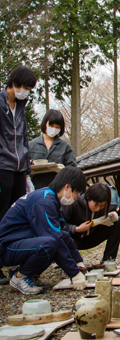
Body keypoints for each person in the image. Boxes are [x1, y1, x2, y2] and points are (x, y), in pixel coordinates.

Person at [0, 166, 87, 295]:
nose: (75, 199)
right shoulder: (44, 201)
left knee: (58, 237)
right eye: (76, 194)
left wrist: (78, 262)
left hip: (19, 242)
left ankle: (31, 274)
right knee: (50, 244)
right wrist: (74, 273)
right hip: (7, 247)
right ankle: (20, 277)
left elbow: (63, 233)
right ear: (67, 187)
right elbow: (54, 238)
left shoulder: (50, 198)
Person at [0, 66, 37, 284]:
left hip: (19, 167)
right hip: (2, 166)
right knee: (1, 214)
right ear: (14, 84)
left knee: (16, 215)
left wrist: (27, 173)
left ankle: (14, 261)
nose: (27, 92)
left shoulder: (21, 106)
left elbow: (23, 138)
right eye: (25, 87)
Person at [61, 182, 120, 261]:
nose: (98, 209)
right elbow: (59, 225)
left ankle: (108, 260)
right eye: (97, 205)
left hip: (91, 237)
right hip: (74, 239)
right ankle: (70, 262)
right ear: (88, 198)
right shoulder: (73, 203)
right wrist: (76, 229)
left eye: (102, 206)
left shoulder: (104, 207)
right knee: (66, 240)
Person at [29, 110, 77, 189]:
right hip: (34, 188)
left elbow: (73, 169)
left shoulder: (65, 146)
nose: (54, 129)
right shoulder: (31, 145)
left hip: (56, 189)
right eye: (51, 125)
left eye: (57, 127)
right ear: (45, 123)